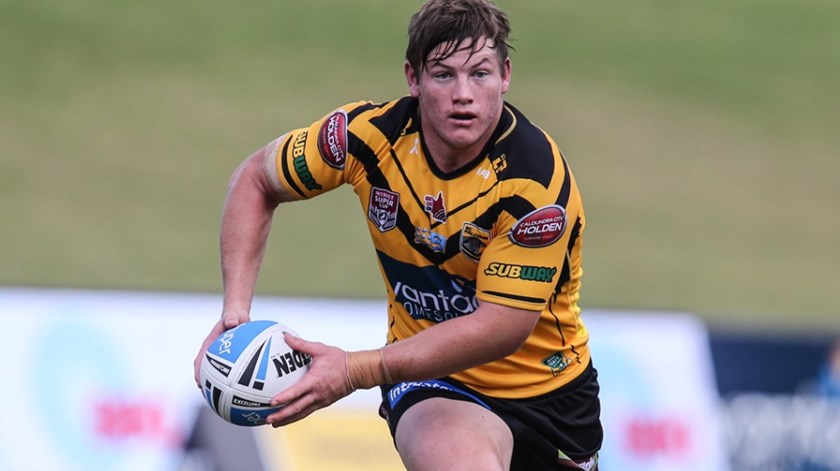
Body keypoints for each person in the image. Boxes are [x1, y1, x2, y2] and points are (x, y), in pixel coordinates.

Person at [194, 0, 603, 469]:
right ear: (413, 77)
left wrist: (354, 371)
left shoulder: (534, 182)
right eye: (443, 75)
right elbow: (255, 179)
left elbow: (502, 328)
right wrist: (235, 314)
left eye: (480, 74)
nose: (463, 94)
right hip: (432, 380)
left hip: (549, 394)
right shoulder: (364, 138)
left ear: (505, 75)